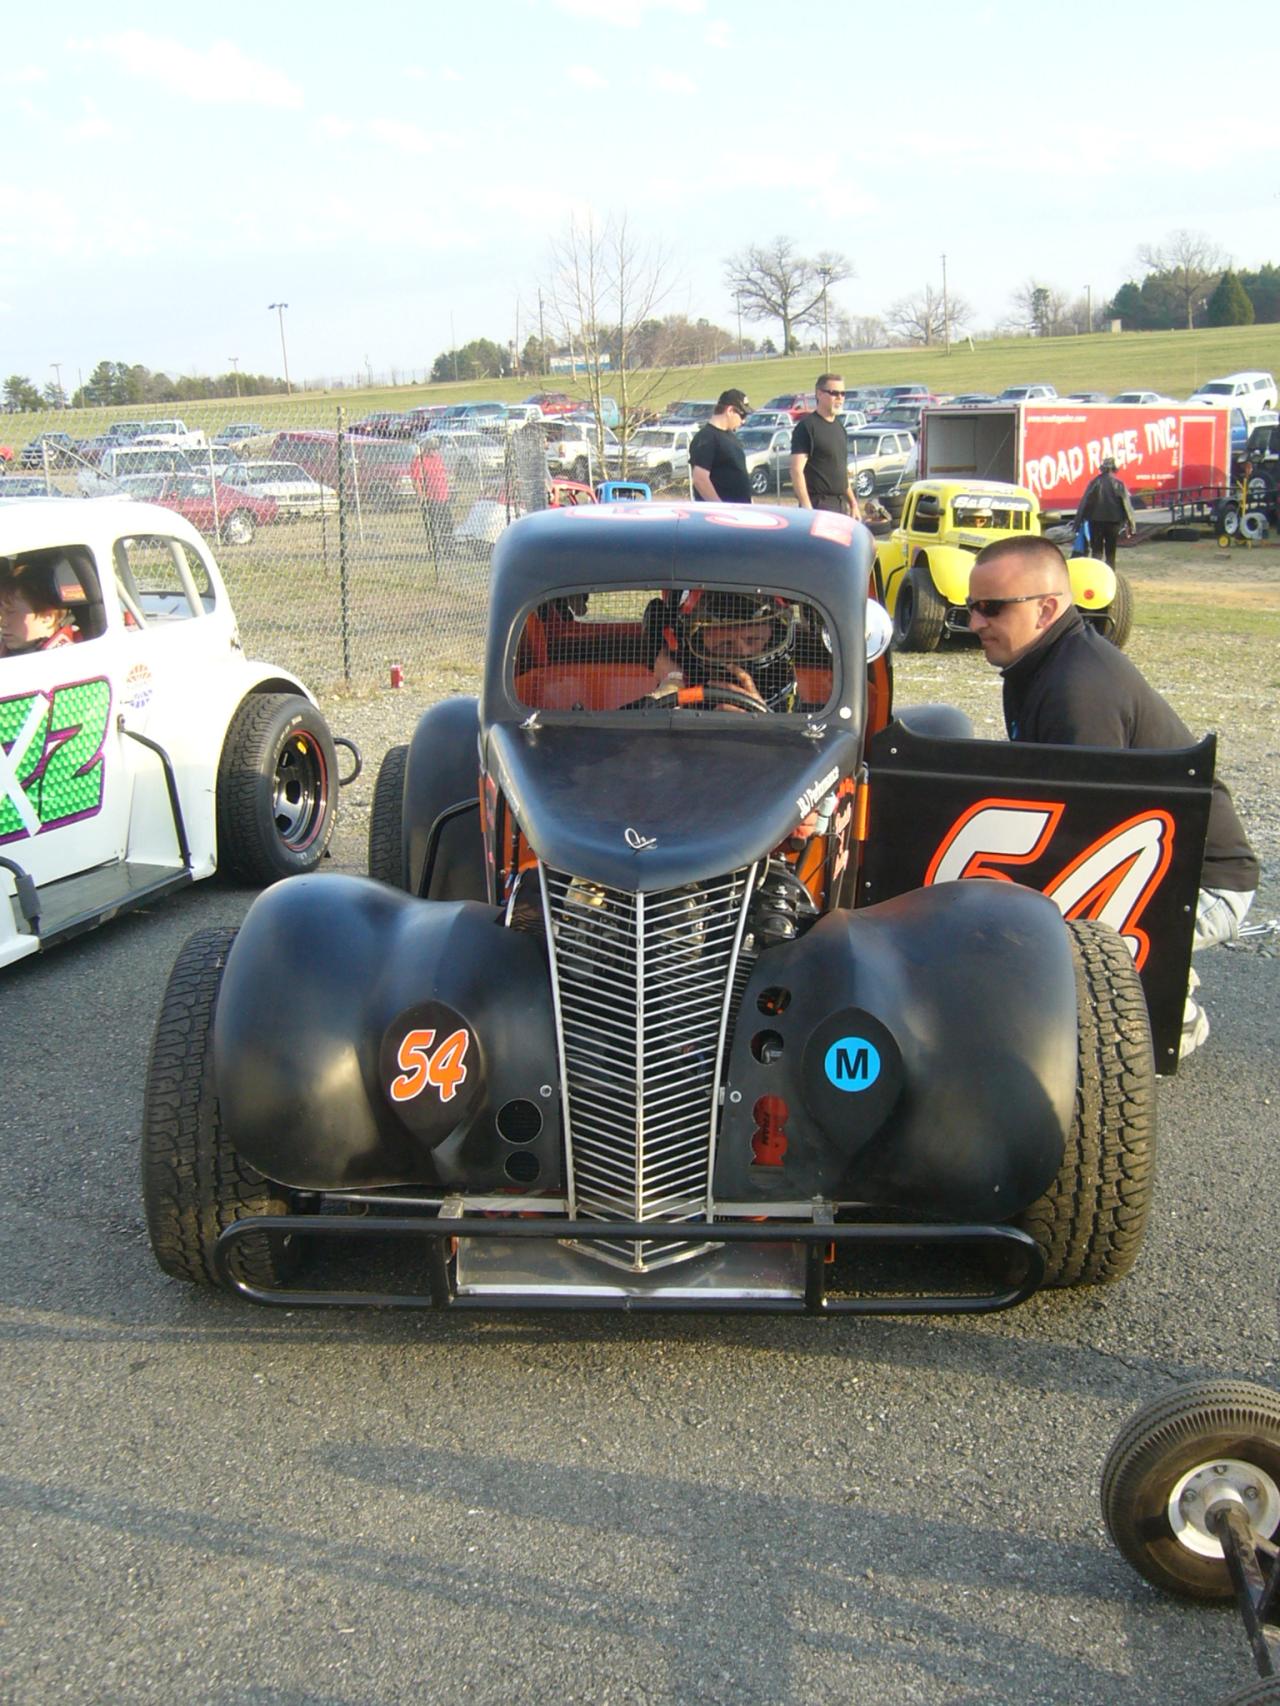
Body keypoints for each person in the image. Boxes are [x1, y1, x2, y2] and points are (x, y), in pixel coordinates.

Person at [966, 535, 1257, 1059]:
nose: (974, 623)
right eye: (972, 607)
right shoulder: (1039, 664)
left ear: (1046, 609)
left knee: (1039, 945)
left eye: (991, 607)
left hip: (1202, 883)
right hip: (1162, 863)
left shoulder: (1078, 690)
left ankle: (1166, 1004)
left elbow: (1085, 840)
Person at [651, 590, 798, 710]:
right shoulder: (684, 678)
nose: (743, 652)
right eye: (725, 644)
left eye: (753, 639)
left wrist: (761, 720)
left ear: (773, 636)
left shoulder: (791, 692)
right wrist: (672, 684)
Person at [790, 374, 861, 519]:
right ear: (819, 394)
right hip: (819, 505)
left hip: (840, 505)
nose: (839, 398)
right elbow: (796, 470)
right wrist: (807, 507)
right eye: (834, 393)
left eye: (843, 394)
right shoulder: (807, 427)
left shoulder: (839, 428)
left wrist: (853, 503)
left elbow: (840, 473)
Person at [0, 558, 80, 658]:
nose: (2, 623)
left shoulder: (71, 656)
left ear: (48, 617)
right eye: (1, 613)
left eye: (11, 612)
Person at [689, 390, 753, 504]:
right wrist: (720, 507)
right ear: (730, 410)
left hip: (740, 509)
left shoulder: (730, 437)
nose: (743, 421)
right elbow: (700, 478)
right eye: (742, 415)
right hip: (719, 512)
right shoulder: (706, 438)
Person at [1075, 456, 1136, 568]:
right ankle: (1110, 573)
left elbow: (1084, 502)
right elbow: (1127, 505)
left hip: (1095, 521)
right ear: (1114, 469)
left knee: (1096, 551)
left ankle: (1096, 573)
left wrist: (1077, 523)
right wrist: (1132, 524)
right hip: (1113, 522)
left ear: (1102, 468)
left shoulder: (1094, 482)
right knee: (1111, 552)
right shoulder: (1119, 484)